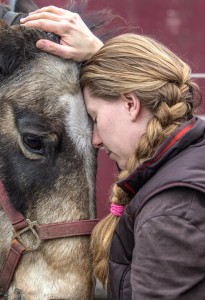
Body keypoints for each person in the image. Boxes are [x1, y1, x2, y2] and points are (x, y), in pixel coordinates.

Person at [21, 7, 205, 300]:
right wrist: (101, 58)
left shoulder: (172, 211)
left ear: (131, 104)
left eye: (94, 117)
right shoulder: (191, 162)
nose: (95, 139)